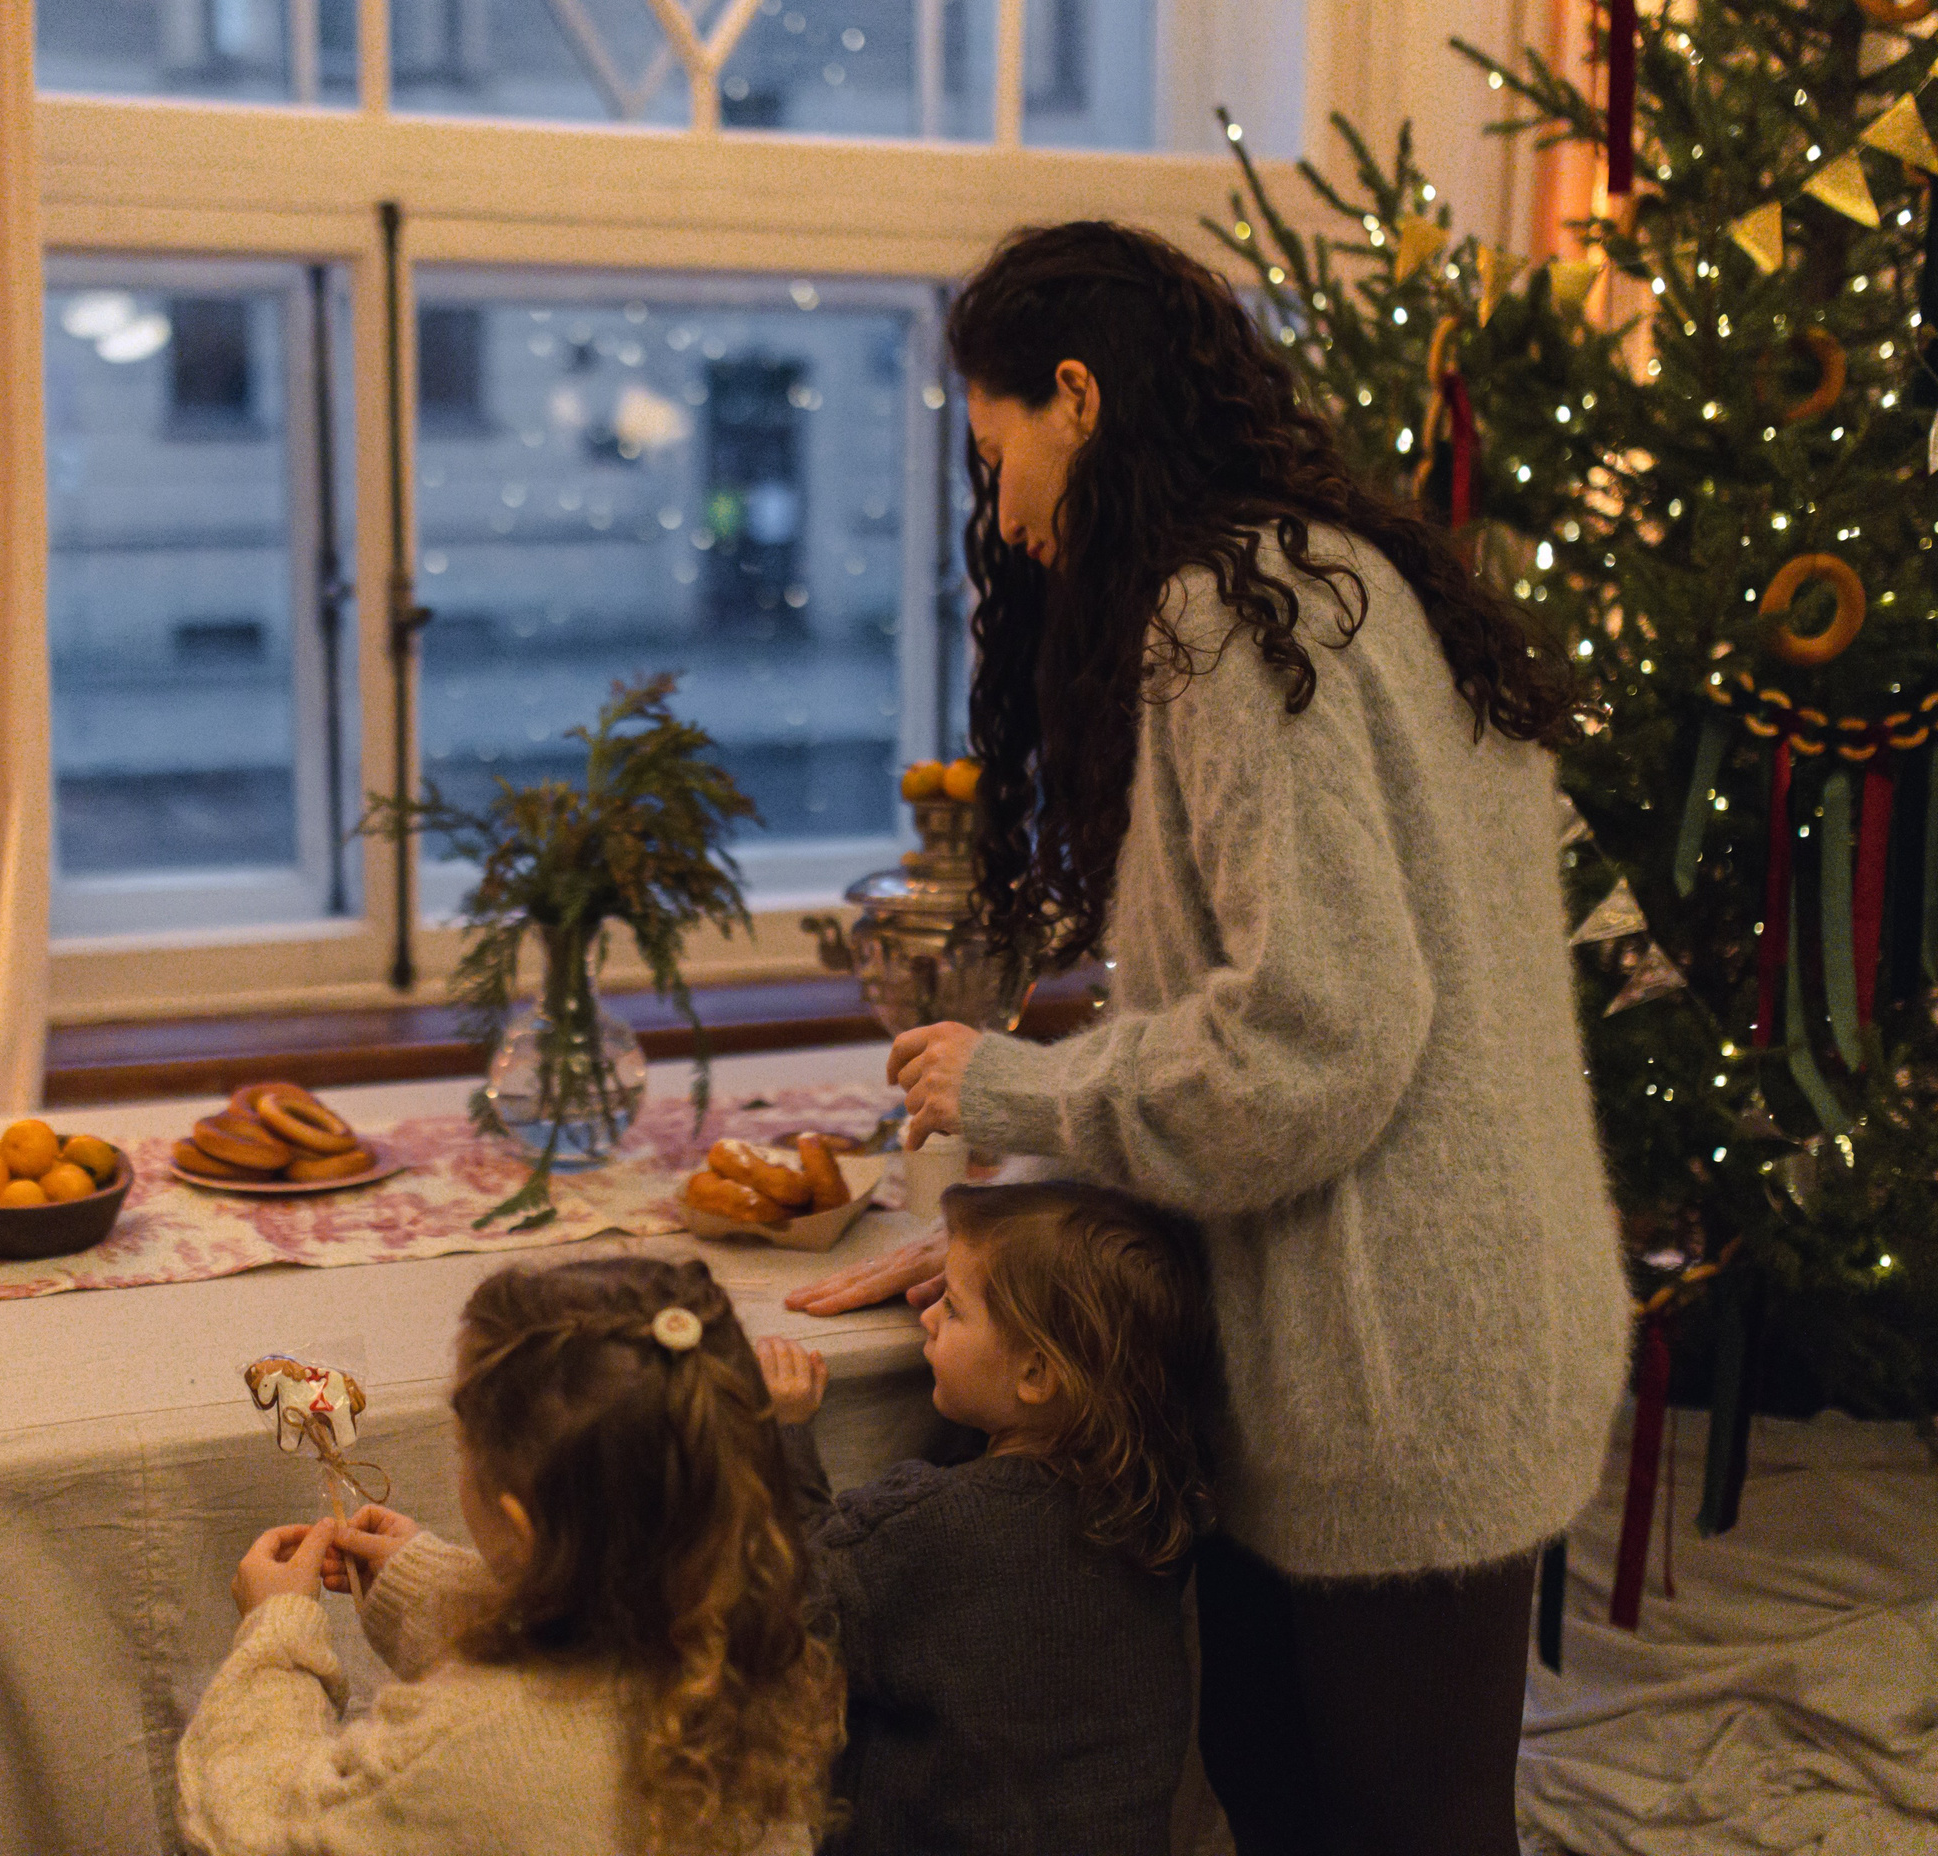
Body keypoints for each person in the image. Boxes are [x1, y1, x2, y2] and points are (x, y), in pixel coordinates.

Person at [786, 220, 1632, 1856]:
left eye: (997, 447)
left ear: (1077, 398)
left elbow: (1317, 1040)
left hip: (1393, 1366)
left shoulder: (1228, 621)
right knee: (1324, 1793)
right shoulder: (1341, 579)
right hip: (1453, 1326)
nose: (1004, 512)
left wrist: (1007, 1080)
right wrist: (1017, 1229)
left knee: (1378, 1822)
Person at [176, 1256, 840, 1856]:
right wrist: (424, 1585)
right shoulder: (736, 1652)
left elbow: (260, 1827)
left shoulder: (464, 1748)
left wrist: (275, 1638)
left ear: (521, 1523)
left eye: (464, 1443)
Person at [759, 1179, 1219, 1856]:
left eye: (954, 1305)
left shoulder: (932, 1528)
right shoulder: (1159, 1505)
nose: (926, 1316)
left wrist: (785, 1434)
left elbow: (790, 1600)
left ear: (1035, 1376)